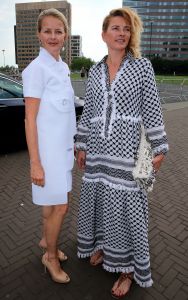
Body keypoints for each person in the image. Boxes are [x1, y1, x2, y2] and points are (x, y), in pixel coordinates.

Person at [76, 7, 169, 298]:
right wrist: (81, 143)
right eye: (116, 28)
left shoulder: (142, 67)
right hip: (99, 152)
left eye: (126, 29)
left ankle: (128, 269)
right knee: (103, 202)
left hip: (130, 152)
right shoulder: (95, 70)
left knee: (129, 211)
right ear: (104, 34)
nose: (122, 33)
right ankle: (105, 247)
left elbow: (152, 109)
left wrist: (160, 147)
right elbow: (89, 110)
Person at [22, 8, 76, 284]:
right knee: (60, 208)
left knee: (51, 206)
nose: (53, 36)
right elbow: (29, 120)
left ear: (65, 35)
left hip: (63, 151)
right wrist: (35, 162)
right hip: (48, 155)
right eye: (48, 31)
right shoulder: (36, 70)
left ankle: (46, 240)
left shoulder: (63, 68)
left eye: (58, 31)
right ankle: (51, 257)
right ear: (39, 34)